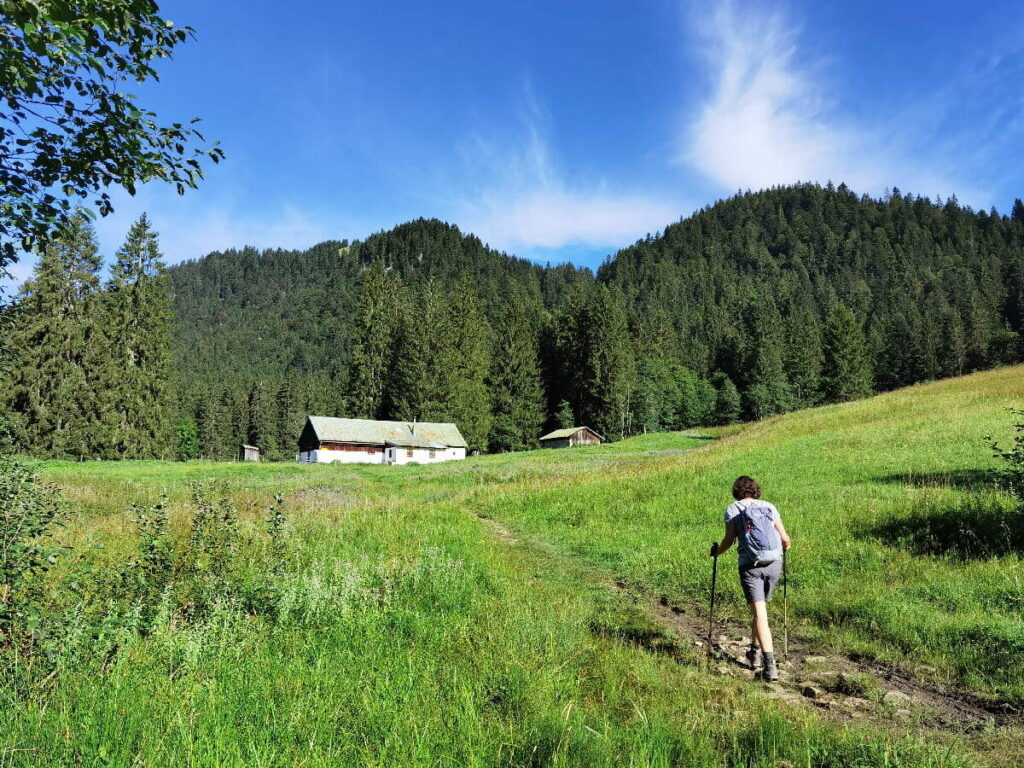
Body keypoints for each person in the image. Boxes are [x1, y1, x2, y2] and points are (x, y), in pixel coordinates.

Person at [710, 475, 791, 681]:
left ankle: (769, 665)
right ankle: (754, 652)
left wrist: (717, 552)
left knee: (760, 615)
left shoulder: (733, 509)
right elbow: (785, 540)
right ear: (755, 490)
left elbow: (729, 540)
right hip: (774, 564)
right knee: (759, 612)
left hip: (750, 566)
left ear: (736, 491)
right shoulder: (769, 507)